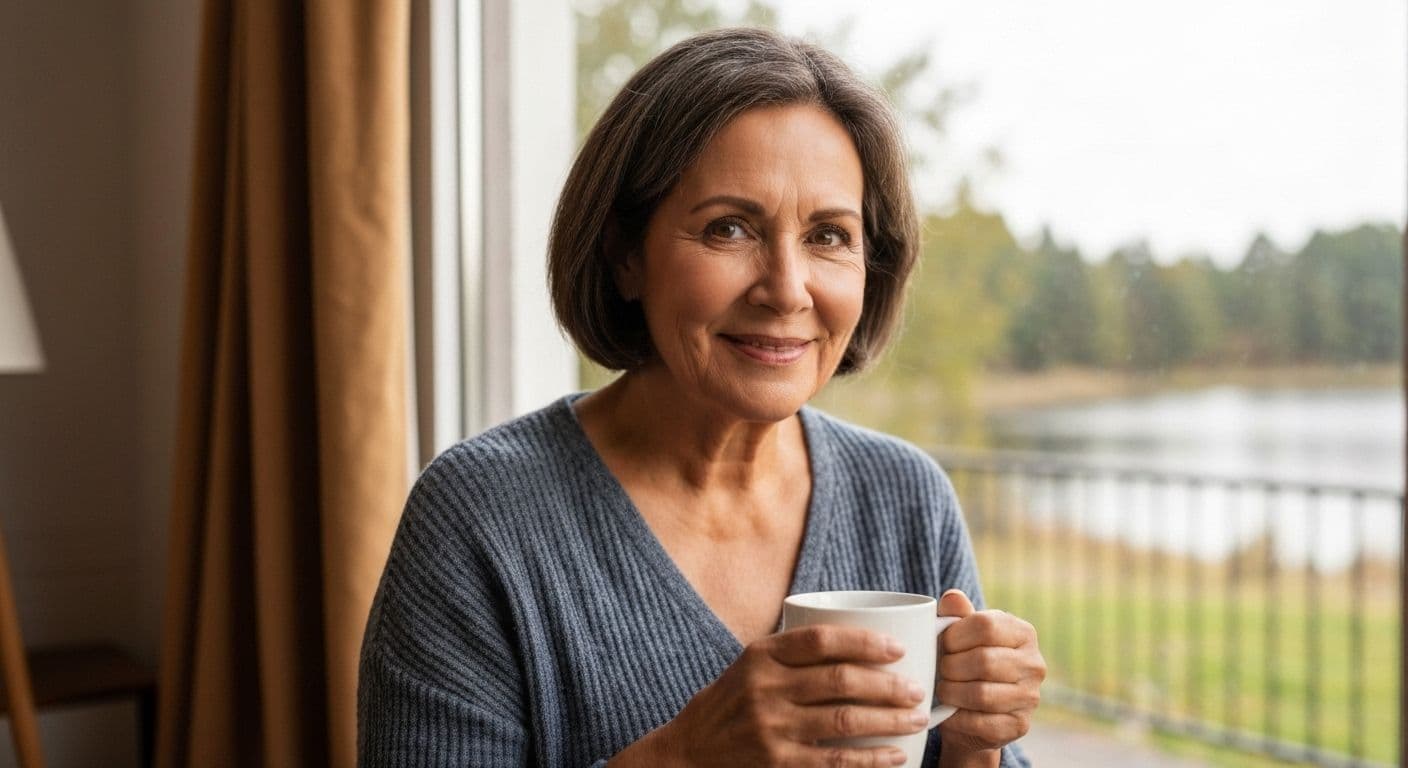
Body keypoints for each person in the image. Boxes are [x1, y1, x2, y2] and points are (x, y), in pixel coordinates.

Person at [359, 27, 1044, 768]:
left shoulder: (906, 498)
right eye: (729, 228)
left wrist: (976, 748)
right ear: (627, 255)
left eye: (829, 236)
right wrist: (685, 757)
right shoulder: (479, 517)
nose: (787, 289)